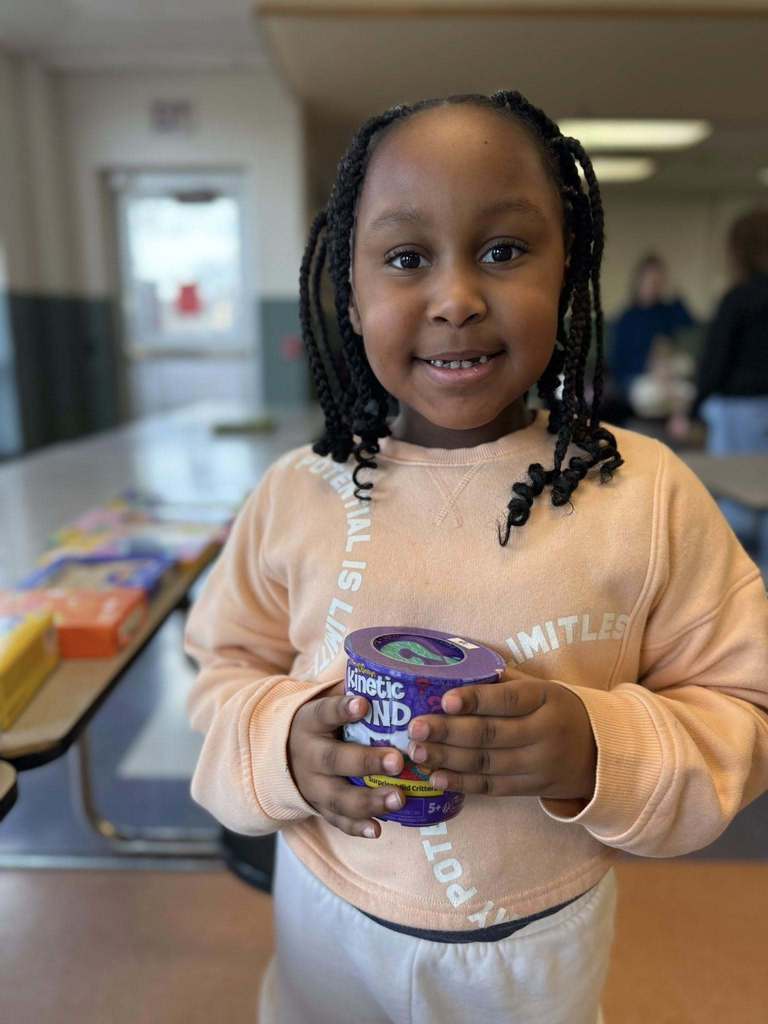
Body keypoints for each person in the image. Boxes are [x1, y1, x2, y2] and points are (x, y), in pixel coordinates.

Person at [183, 92, 768, 1024]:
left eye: (503, 251)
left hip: (535, 947)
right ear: (350, 287)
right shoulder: (299, 493)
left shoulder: (647, 495)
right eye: (406, 258)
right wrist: (281, 744)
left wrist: (593, 746)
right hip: (328, 916)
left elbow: (742, 705)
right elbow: (219, 671)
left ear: (568, 268)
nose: (456, 298)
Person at [689, 208, 768, 564]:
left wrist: (690, 411)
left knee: (736, 507)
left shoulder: (738, 299)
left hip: (740, 411)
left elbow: (714, 362)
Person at [607, 254, 696, 419]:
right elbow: (618, 362)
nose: (654, 284)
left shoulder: (666, 311)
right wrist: (650, 366)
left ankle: (676, 414)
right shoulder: (627, 317)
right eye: (650, 278)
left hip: (670, 370)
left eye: (659, 279)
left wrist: (677, 297)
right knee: (649, 396)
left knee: (688, 381)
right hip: (642, 377)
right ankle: (676, 414)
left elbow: (690, 324)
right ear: (639, 281)